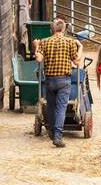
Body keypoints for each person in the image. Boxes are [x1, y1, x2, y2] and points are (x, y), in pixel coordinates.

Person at [34, 18, 82, 147]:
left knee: (51, 107)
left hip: (49, 80)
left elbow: (39, 59)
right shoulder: (70, 42)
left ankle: (51, 131)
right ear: (64, 29)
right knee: (61, 108)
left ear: (52, 29)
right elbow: (77, 62)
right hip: (64, 80)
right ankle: (58, 136)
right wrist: (81, 47)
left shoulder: (45, 42)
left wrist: (36, 46)